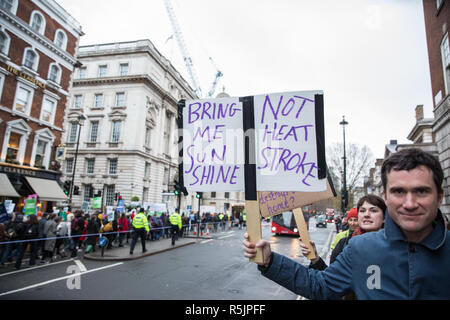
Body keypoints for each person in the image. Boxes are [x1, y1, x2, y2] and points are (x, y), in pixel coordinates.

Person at [243, 148, 450, 299]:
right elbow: (320, 285)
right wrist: (270, 260)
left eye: (421, 191)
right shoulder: (361, 248)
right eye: (398, 192)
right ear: (385, 196)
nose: (410, 203)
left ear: (439, 197)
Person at [301, 194, 386, 278]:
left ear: (384, 217)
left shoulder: (395, 247)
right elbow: (332, 278)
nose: (366, 214)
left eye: (373, 210)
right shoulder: (344, 244)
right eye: (362, 211)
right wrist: (315, 259)